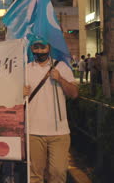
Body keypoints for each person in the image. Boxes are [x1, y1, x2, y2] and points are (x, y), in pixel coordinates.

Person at [23, 37, 78, 183]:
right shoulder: (25, 70)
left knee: (58, 172)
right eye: (36, 48)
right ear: (31, 49)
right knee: (35, 175)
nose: (39, 51)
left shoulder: (62, 67)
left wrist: (60, 79)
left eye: (42, 47)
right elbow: (15, 101)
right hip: (33, 131)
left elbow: (74, 94)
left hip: (59, 132)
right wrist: (20, 93)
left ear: (49, 48)